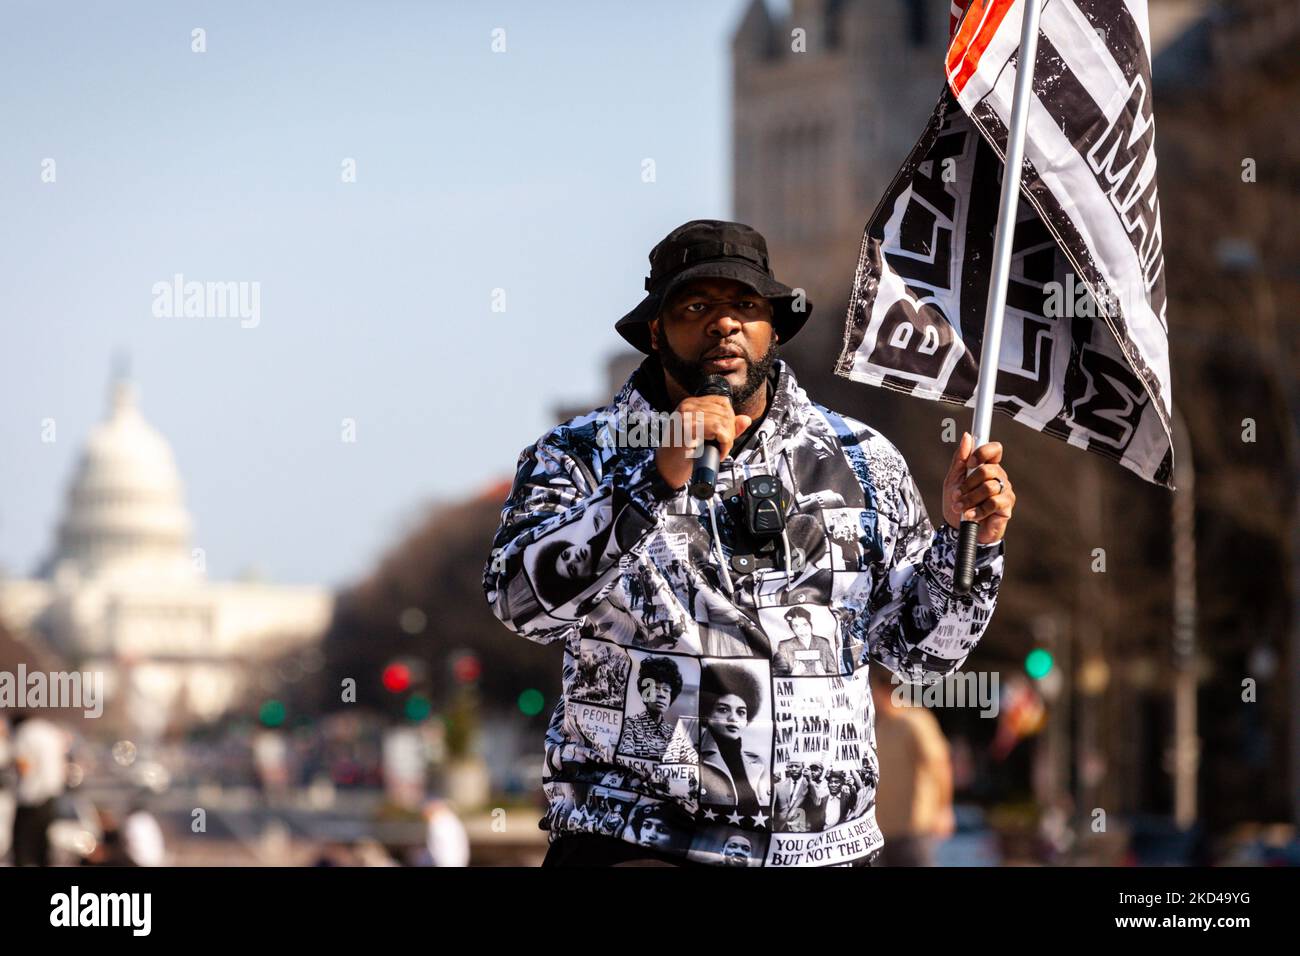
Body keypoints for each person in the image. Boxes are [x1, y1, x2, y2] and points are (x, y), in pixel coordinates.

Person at [484, 220, 1014, 867]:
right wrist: (653, 480)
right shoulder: (579, 455)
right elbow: (520, 604)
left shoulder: (862, 460)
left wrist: (971, 543)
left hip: (825, 851)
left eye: (745, 307)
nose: (725, 325)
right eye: (697, 307)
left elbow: (922, 654)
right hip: (635, 839)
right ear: (656, 331)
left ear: (775, 329)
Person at [870, 668, 956, 866]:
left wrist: (944, 809)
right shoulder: (878, 726)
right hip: (883, 830)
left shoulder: (916, 721)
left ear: (885, 689)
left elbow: (940, 765)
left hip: (914, 829)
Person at [9, 713, 69, 867]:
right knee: (43, 850)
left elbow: (23, 766)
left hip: (31, 799)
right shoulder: (50, 731)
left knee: (23, 850)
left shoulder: (24, 732)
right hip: (51, 797)